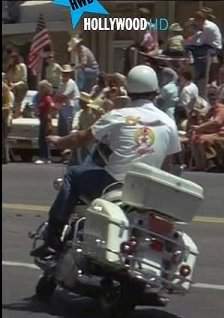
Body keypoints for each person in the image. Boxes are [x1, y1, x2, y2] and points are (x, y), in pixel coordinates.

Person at [32, 65, 181, 258]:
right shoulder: (168, 122)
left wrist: (59, 142)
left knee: (73, 174)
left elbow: (82, 138)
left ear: (129, 91)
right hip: (147, 192)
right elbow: (169, 164)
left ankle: (52, 238)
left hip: (114, 185)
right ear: (156, 91)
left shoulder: (118, 115)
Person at [189, 87, 224, 171]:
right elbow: (204, 121)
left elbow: (217, 122)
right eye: (209, 96)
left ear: (218, 96)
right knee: (194, 136)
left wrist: (200, 127)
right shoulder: (211, 110)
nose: (211, 98)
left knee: (202, 139)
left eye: (213, 95)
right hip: (213, 133)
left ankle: (209, 163)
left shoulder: (222, 109)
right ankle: (200, 164)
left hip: (223, 134)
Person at [185, 7, 223, 95]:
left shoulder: (207, 27)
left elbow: (200, 42)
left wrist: (190, 43)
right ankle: (194, 66)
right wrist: (189, 41)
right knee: (189, 47)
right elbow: (196, 39)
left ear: (200, 20)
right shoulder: (203, 27)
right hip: (207, 45)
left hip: (214, 47)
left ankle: (196, 70)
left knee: (193, 49)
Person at [56, 65, 80, 140]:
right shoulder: (61, 83)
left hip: (71, 106)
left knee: (68, 126)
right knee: (61, 126)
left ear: (69, 74)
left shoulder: (71, 83)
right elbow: (58, 94)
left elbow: (64, 95)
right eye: (64, 73)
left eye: (67, 73)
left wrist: (54, 101)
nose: (65, 75)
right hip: (64, 105)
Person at [35, 81, 56, 165]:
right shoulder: (42, 98)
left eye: (40, 88)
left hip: (46, 120)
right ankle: (43, 156)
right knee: (42, 139)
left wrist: (48, 115)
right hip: (42, 119)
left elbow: (52, 106)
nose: (39, 90)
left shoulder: (47, 98)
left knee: (44, 139)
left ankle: (46, 157)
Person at [5, 49, 28, 118]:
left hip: (21, 85)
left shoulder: (22, 66)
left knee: (16, 93)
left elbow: (23, 80)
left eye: (12, 58)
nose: (10, 59)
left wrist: (15, 84)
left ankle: (16, 114)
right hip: (11, 85)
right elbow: (7, 78)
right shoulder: (10, 68)